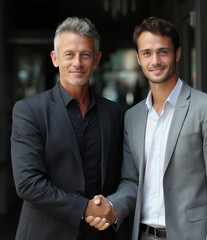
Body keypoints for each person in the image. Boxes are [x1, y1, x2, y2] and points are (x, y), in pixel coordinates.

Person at [87, 17, 207, 240]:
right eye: (147, 53)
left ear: (177, 53)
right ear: (138, 58)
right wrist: (111, 206)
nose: (155, 60)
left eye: (163, 51)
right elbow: (131, 182)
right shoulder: (133, 117)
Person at [10, 16, 131, 240]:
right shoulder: (29, 111)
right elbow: (28, 183)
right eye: (69, 54)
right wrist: (85, 208)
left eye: (85, 54)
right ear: (55, 59)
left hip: (99, 235)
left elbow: (123, 176)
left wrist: (112, 206)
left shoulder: (114, 112)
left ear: (97, 59)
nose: (77, 63)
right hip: (45, 234)